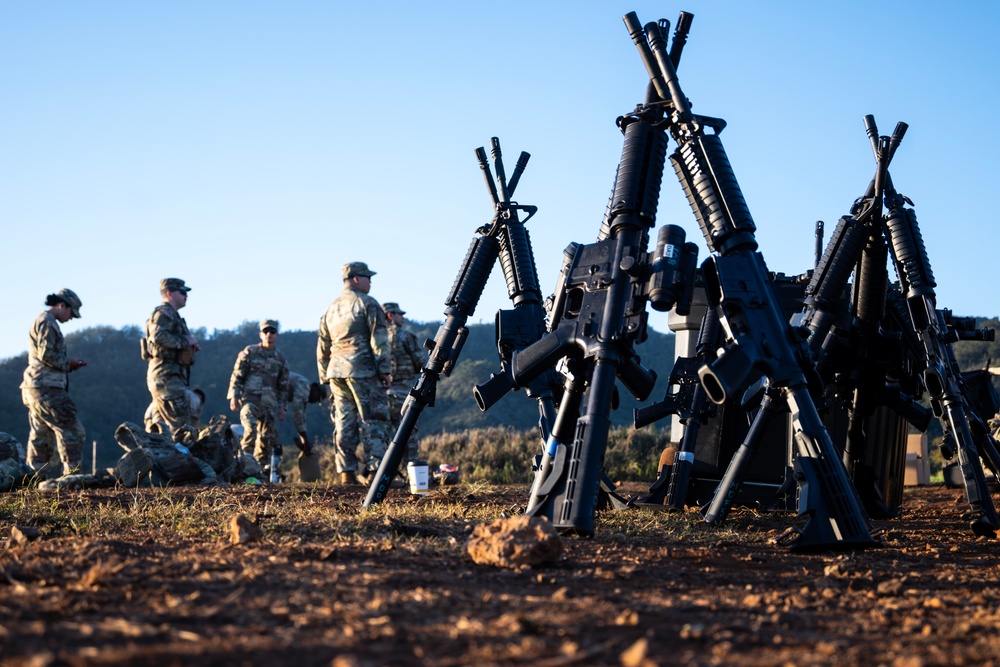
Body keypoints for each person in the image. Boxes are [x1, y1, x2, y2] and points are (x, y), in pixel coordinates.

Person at [317, 261, 392, 485]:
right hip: (362, 370)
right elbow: (379, 339)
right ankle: (375, 473)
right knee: (373, 420)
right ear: (357, 279)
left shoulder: (331, 308)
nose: (371, 282)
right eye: (368, 277)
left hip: (336, 373)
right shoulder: (367, 303)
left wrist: (324, 375)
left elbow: (323, 345)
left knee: (344, 421)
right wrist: (385, 369)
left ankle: (346, 473)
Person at [19, 289, 88, 479]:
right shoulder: (47, 323)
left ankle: (33, 480)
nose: (71, 318)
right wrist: (69, 363)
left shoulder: (44, 321)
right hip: (47, 388)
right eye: (70, 313)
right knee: (72, 429)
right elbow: (46, 355)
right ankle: (72, 478)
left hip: (35, 387)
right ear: (61, 305)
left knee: (41, 436)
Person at [227, 320, 290, 473]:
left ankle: (259, 470)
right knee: (249, 430)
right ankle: (243, 465)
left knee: (266, 438)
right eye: (266, 332)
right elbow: (237, 376)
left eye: (272, 332)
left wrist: (282, 407)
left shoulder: (280, 358)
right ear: (260, 334)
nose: (269, 335)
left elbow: (283, 386)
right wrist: (234, 396)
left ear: (277, 335)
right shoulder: (250, 352)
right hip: (250, 399)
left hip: (269, 403)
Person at [143, 278, 200, 441]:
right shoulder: (163, 313)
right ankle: (180, 462)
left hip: (170, 377)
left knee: (163, 429)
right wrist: (185, 342)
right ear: (169, 293)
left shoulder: (174, 317)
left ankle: (161, 461)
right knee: (182, 426)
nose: (186, 296)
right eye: (182, 292)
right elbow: (158, 336)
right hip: (166, 378)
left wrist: (190, 346)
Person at [383, 302, 428, 462]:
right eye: (399, 314)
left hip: (380, 395)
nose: (402, 317)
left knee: (383, 434)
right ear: (390, 315)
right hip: (402, 391)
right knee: (408, 431)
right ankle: (412, 471)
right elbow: (421, 362)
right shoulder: (405, 336)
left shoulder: (375, 338)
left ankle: (384, 473)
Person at [286, 371, 326, 456]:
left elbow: (302, 417)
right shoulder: (303, 387)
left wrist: (303, 439)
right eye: (317, 398)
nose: (315, 401)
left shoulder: (304, 386)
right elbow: (297, 414)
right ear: (315, 390)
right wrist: (305, 440)